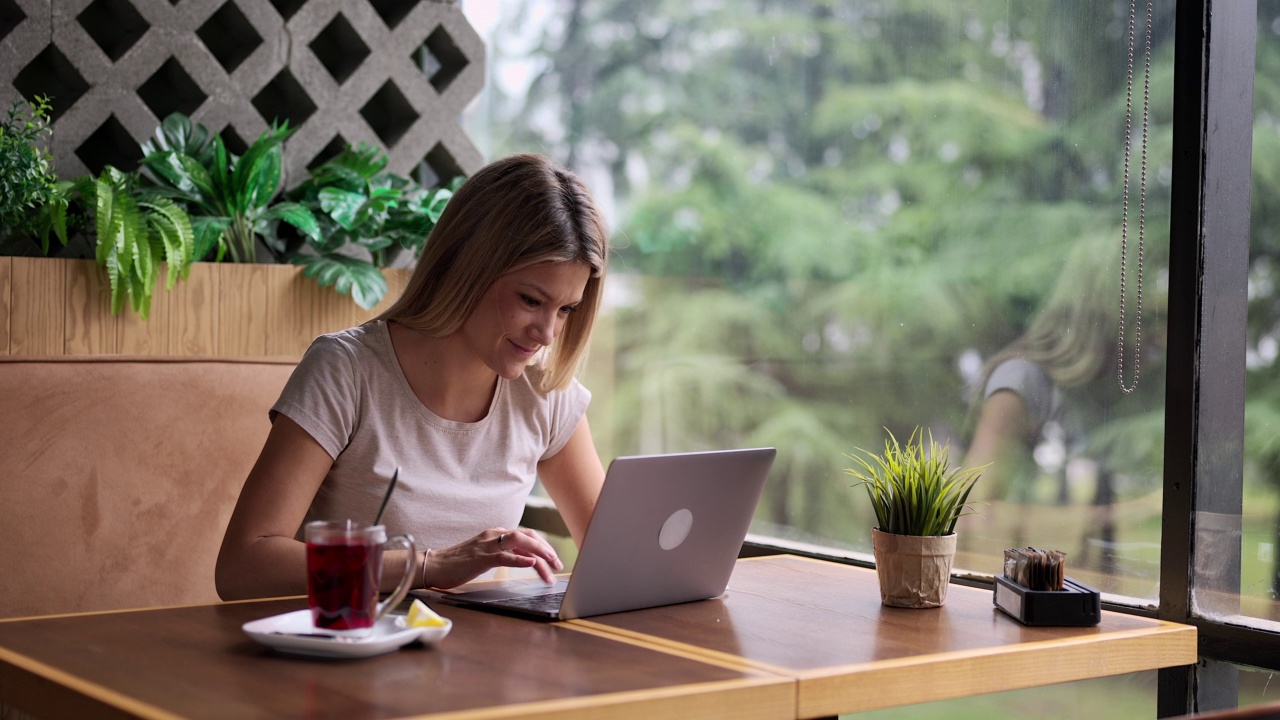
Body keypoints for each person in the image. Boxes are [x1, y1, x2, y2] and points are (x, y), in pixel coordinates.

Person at [215, 153, 611, 601]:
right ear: (468, 265)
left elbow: (617, 558)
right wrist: (430, 565)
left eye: (566, 310)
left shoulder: (544, 395)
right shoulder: (347, 370)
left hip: (487, 661)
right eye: (530, 300)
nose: (547, 333)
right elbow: (243, 566)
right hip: (354, 654)